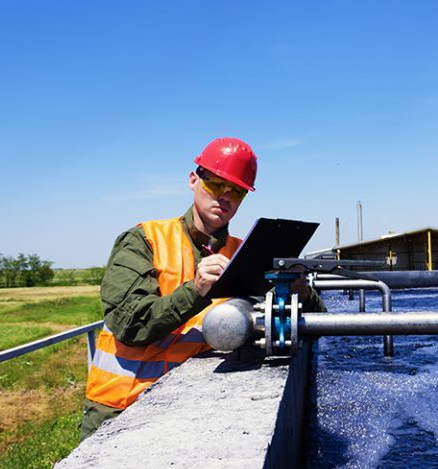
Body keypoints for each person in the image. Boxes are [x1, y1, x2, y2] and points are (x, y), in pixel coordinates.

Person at [81, 137, 324, 440]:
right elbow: (128, 324)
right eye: (216, 184)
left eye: (236, 191)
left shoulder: (244, 254)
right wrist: (195, 291)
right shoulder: (145, 240)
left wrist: (301, 292)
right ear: (193, 180)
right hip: (122, 407)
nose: (225, 197)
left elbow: (313, 326)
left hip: (193, 406)